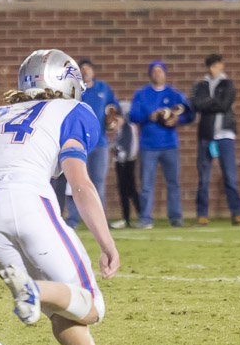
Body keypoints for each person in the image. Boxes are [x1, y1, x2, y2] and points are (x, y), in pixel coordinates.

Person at [0, 50, 125, 345]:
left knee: (61, 304)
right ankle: (32, 290)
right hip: (28, 200)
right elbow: (79, 184)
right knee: (90, 305)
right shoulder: (74, 109)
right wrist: (107, 243)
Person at [130, 60, 194, 228]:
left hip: (170, 144)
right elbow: (133, 115)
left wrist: (177, 119)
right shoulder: (141, 94)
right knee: (146, 184)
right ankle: (145, 218)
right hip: (148, 145)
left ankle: (176, 217)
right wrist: (148, 117)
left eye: (160, 71)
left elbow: (189, 114)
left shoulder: (175, 94)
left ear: (165, 73)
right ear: (150, 73)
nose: (157, 74)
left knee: (173, 182)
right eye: (154, 71)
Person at [64, 59, 119, 229]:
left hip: (99, 142)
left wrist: (113, 118)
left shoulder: (103, 88)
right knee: (74, 181)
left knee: (98, 182)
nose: (86, 72)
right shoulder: (72, 90)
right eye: (82, 69)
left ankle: (98, 220)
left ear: (93, 71)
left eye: (88, 69)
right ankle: (73, 219)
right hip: (77, 142)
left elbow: (114, 108)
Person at [190, 54, 240, 227]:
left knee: (230, 176)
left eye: (218, 66)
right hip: (206, 135)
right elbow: (196, 104)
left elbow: (224, 105)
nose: (215, 69)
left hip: (225, 134)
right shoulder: (201, 86)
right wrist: (213, 103)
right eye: (212, 66)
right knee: (203, 178)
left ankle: (236, 212)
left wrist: (209, 103)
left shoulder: (228, 84)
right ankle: (202, 214)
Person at [109, 100, 140, 230]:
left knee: (129, 190)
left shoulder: (128, 127)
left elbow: (126, 147)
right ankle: (127, 217)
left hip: (126, 162)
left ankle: (139, 214)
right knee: (124, 190)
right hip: (122, 161)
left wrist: (119, 155)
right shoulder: (121, 128)